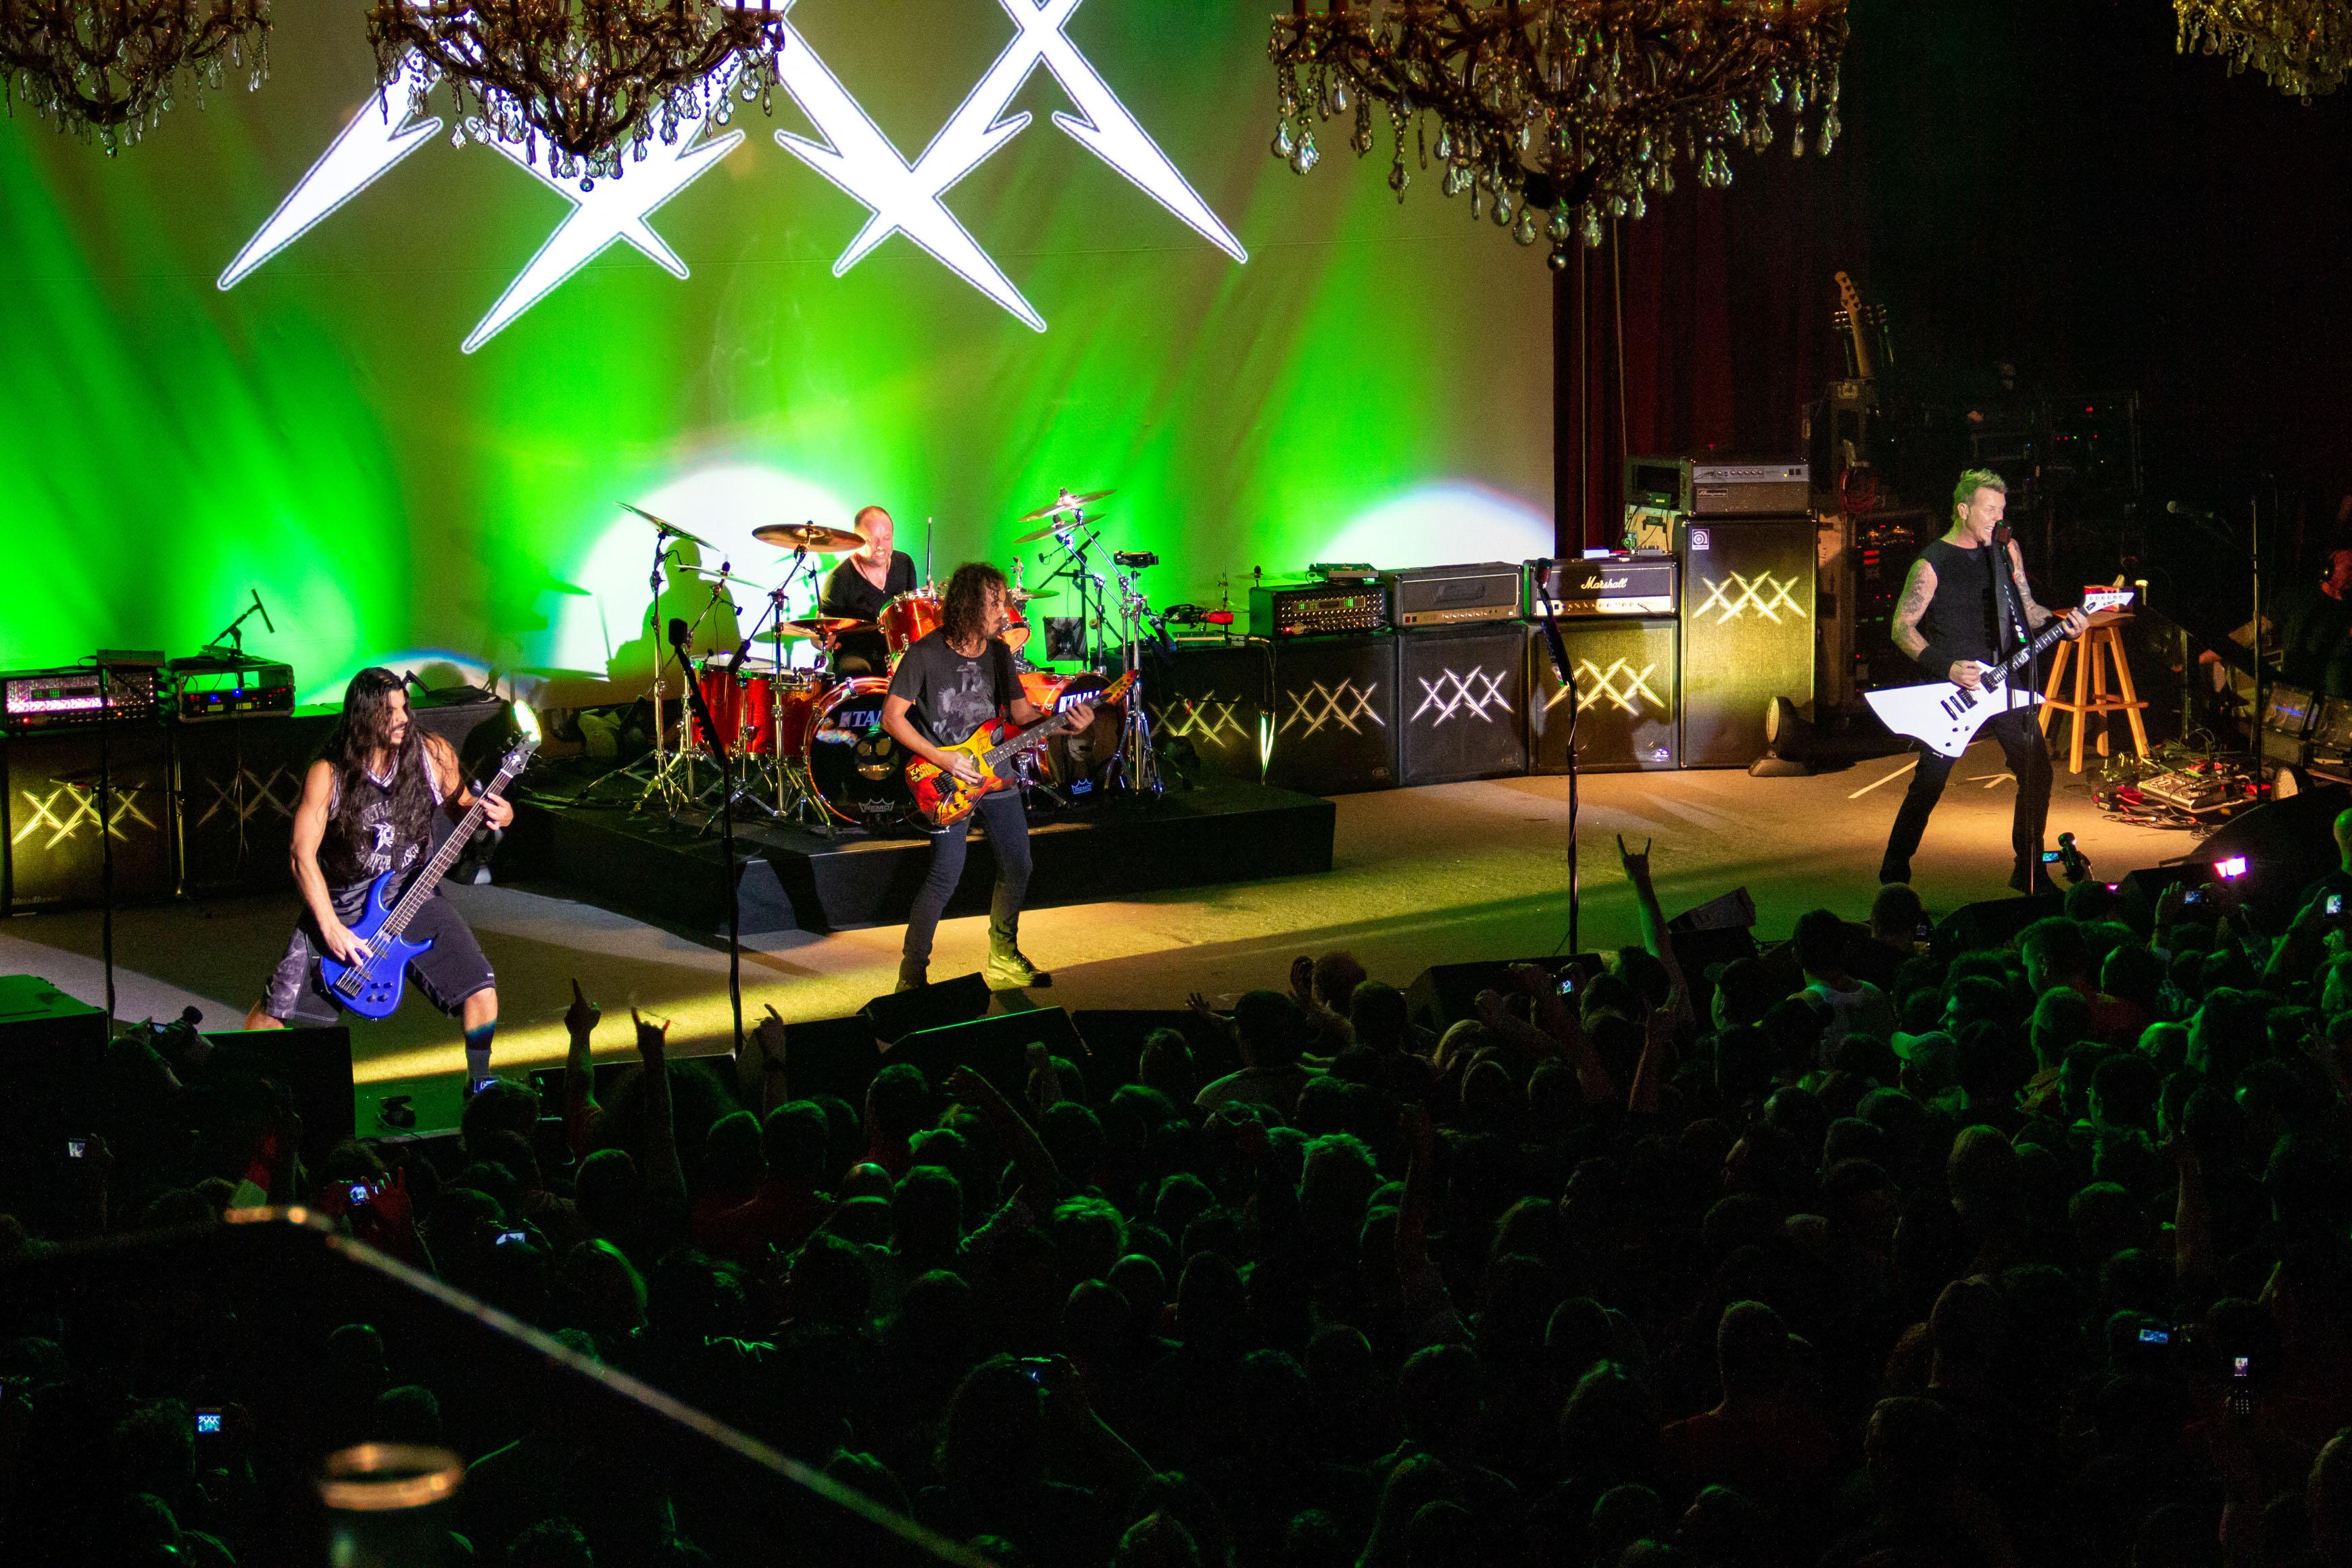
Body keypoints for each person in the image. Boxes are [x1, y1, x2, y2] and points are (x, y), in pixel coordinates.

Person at [243, 667, 513, 1083]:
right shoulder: (330, 773)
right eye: (390, 712)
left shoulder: (432, 754)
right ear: (364, 716)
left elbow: (462, 805)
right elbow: (301, 855)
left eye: (404, 707)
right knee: (274, 1016)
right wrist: (330, 928)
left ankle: (480, 1084)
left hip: (413, 892)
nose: (403, 719)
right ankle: (243, 1089)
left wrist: (497, 814)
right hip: (345, 905)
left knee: (482, 990)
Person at [881, 562, 1090, 992]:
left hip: (997, 774)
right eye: (994, 602)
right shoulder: (923, 653)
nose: (1004, 610)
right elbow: (891, 718)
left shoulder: (999, 654)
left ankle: (1004, 955)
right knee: (945, 876)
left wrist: (1062, 724)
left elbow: (1022, 716)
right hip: (946, 782)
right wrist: (942, 759)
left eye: (1004, 601)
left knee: (1018, 865)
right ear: (968, 606)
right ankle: (912, 974)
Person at [1881, 468, 2087, 892]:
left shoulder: (2006, 550)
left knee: (2037, 773)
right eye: (1990, 509)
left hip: (2007, 682)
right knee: (1929, 784)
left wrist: (2062, 623)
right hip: (1955, 691)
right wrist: (1947, 667)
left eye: (2002, 509)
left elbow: (2027, 609)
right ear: (1963, 510)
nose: (1998, 518)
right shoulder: (1931, 563)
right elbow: (1902, 628)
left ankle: (2028, 868)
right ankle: (1894, 875)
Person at [818, 505, 920, 675]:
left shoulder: (904, 564)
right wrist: (821, 638)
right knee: (854, 668)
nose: (880, 546)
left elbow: (910, 618)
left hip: (897, 653)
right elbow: (823, 635)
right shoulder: (840, 578)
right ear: (857, 539)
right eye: (873, 539)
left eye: (887, 538)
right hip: (856, 658)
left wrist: (923, 606)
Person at [2280, 544, 2352, 698]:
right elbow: (2256, 628)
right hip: (2297, 695)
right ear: (2329, 569)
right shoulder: (2300, 596)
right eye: (2350, 568)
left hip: (2336, 701)